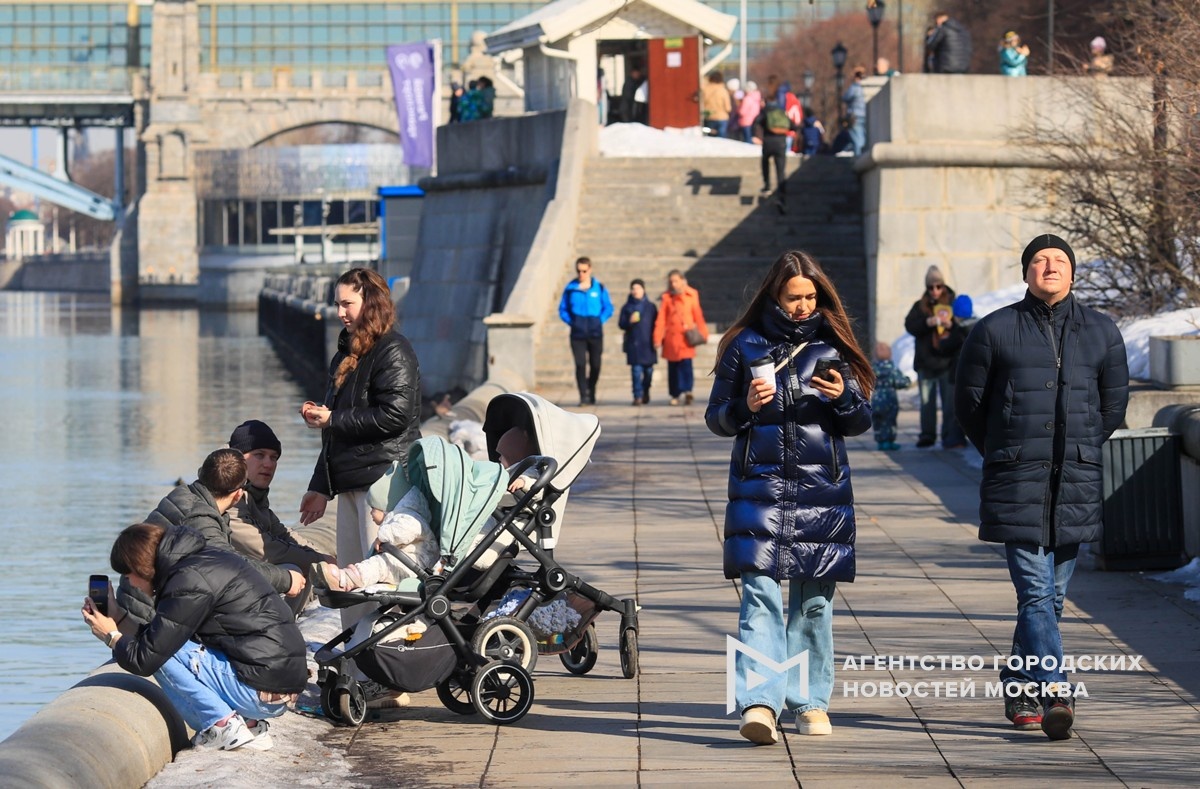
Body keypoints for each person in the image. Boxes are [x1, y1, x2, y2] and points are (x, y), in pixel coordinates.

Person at [955, 234, 1129, 740]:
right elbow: (970, 404)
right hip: (1017, 476)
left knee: (1049, 598)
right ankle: (1055, 688)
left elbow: (1111, 406)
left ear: (1072, 273)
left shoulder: (1101, 331)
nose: (1049, 267)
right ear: (1025, 272)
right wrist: (1005, 447)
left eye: (1059, 260)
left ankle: (1018, 682)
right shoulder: (995, 329)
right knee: (1034, 592)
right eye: (1039, 260)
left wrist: (1078, 445)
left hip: (1074, 478)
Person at [705, 250, 874, 745]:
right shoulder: (744, 344)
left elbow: (861, 421)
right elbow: (716, 417)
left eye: (810, 297)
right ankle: (758, 702)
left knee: (813, 602)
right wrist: (743, 407)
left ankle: (808, 702)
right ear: (774, 296)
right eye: (793, 297)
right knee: (759, 598)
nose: (802, 306)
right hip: (758, 487)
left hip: (821, 491)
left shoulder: (832, 344)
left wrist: (843, 396)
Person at [82, 522, 308, 751]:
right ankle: (249, 726)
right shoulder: (200, 562)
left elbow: (147, 658)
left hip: (260, 691)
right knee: (163, 645)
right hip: (277, 685)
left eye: (128, 575)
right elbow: (162, 637)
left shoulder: (187, 582)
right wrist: (118, 616)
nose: (129, 583)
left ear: (142, 567)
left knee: (160, 653)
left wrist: (111, 636)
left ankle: (222, 724)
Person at [299, 267, 422, 631]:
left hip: (383, 483)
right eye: (337, 304)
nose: (340, 312)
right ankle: (358, 662)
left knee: (380, 581)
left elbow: (395, 415)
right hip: (351, 483)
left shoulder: (394, 350)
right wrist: (320, 486)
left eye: (347, 304)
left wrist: (332, 418)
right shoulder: (346, 355)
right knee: (351, 587)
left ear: (371, 303)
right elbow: (334, 430)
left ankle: (390, 664)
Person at [314, 428, 535, 591]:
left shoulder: (407, 510)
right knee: (378, 565)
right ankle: (343, 578)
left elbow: (410, 527)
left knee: (379, 566)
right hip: (414, 557)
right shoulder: (408, 506)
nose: (371, 514)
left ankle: (343, 580)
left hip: (417, 561)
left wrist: (384, 536)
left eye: (374, 508)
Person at [145, 448, 303, 602]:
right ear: (238, 495)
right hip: (154, 616)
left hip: (157, 600)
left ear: (201, 473)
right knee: (288, 573)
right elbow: (231, 565)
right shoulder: (199, 518)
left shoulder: (185, 496)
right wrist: (286, 580)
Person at [226, 420, 333, 617]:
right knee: (292, 570)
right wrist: (320, 561)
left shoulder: (254, 494)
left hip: (231, 579)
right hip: (214, 587)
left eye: (274, 457)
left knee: (303, 566)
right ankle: (276, 634)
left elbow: (281, 533)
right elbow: (264, 548)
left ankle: (283, 629)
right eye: (259, 455)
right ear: (237, 459)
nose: (268, 464)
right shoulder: (227, 494)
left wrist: (322, 556)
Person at [904, 265, 966, 449]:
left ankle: (950, 436)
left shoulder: (953, 303)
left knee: (949, 404)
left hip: (947, 363)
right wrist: (927, 322)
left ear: (944, 286)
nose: (935, 291)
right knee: (926, 403)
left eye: (938, 286)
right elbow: (910, 325)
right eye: (931, 287)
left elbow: (965, 328)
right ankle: (927, 435)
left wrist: (951, 325)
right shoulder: (920, 305)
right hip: (926, 363)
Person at [558, 256, 614, 406]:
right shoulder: (570, 289)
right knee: (580, 364)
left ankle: (591, 388)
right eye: (578, 271)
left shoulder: (599, 287)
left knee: (595, 365)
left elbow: (608, 307)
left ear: (590, 269)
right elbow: (563, 309)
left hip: (595, 332)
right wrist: (573, 322)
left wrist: (599, 321)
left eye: (584, 270)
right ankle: (583, 395)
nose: (581, 273)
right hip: (578, 334)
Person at [653, 269, 708, 406]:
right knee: (673, 368)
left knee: (686, 366)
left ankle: (688, 391)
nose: (673, 284)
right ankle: (675, 394)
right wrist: (657, 338)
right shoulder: (666, 297)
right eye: (671, 281)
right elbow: (661, 319)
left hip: (686, 338)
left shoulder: (691, 294)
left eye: (676, 281)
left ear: (682, 280)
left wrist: (703, 333)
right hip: (671, 338)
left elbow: (698, 315)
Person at [752, 85, 797, 207]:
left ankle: (767, 185)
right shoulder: (782, 112)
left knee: (765, 162)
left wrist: (756, 134)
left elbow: (755, 123)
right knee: (780, 169)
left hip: (768, 142)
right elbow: (794, 126)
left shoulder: (765, 112)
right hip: (781, 144)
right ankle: (782, 191)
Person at [618, 278, 658, 406]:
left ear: (643, 289)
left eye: (638, 288)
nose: (635, 291)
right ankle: (637, 396)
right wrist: (629, 321)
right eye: (633, 289)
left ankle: (645, 390)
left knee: (648, 372)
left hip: (648, 344)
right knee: (636, 372)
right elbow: (621, 324)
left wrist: (657, 339)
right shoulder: (627, 307)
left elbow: (657, 324)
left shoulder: (651, 307)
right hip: (633, 344)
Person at [870, 341, 911, 451]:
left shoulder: (873, 370)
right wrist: (907, 381)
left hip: (877, 400)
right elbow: (900, 382)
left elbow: (868, 382)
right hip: (890, 400)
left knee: (878, 421)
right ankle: (889, 440)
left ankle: (881, 442)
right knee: (890, 421)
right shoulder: (892, 370)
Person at [841, 66, 867, 156]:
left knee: (857, 141)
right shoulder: (866, 87)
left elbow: (845, 97)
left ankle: (858, 160)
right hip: (865, 116)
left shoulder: (855, 87)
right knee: (862, 140)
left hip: (855, 117)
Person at [701, 70, 732, 138]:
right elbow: (728, 108)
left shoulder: (705, 89)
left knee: (710, 138)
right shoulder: (723, 90)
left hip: (709, 117)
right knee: (721, 139)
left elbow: (701, 103)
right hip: (722, 118)